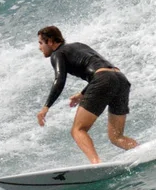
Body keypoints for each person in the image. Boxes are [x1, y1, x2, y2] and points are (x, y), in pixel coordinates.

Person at [37, 26, 138, 164]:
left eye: (40, 43)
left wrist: (46, 107)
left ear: (49, 41)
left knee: (78, 130)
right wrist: (82, 94)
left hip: (103, 80)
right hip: (120, 79)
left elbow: (59, 80)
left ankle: (96, 162)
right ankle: (144, 150)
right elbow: (101, 69)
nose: (39, 48)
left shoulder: (57, 54)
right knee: (116, 137)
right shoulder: (78, 45)